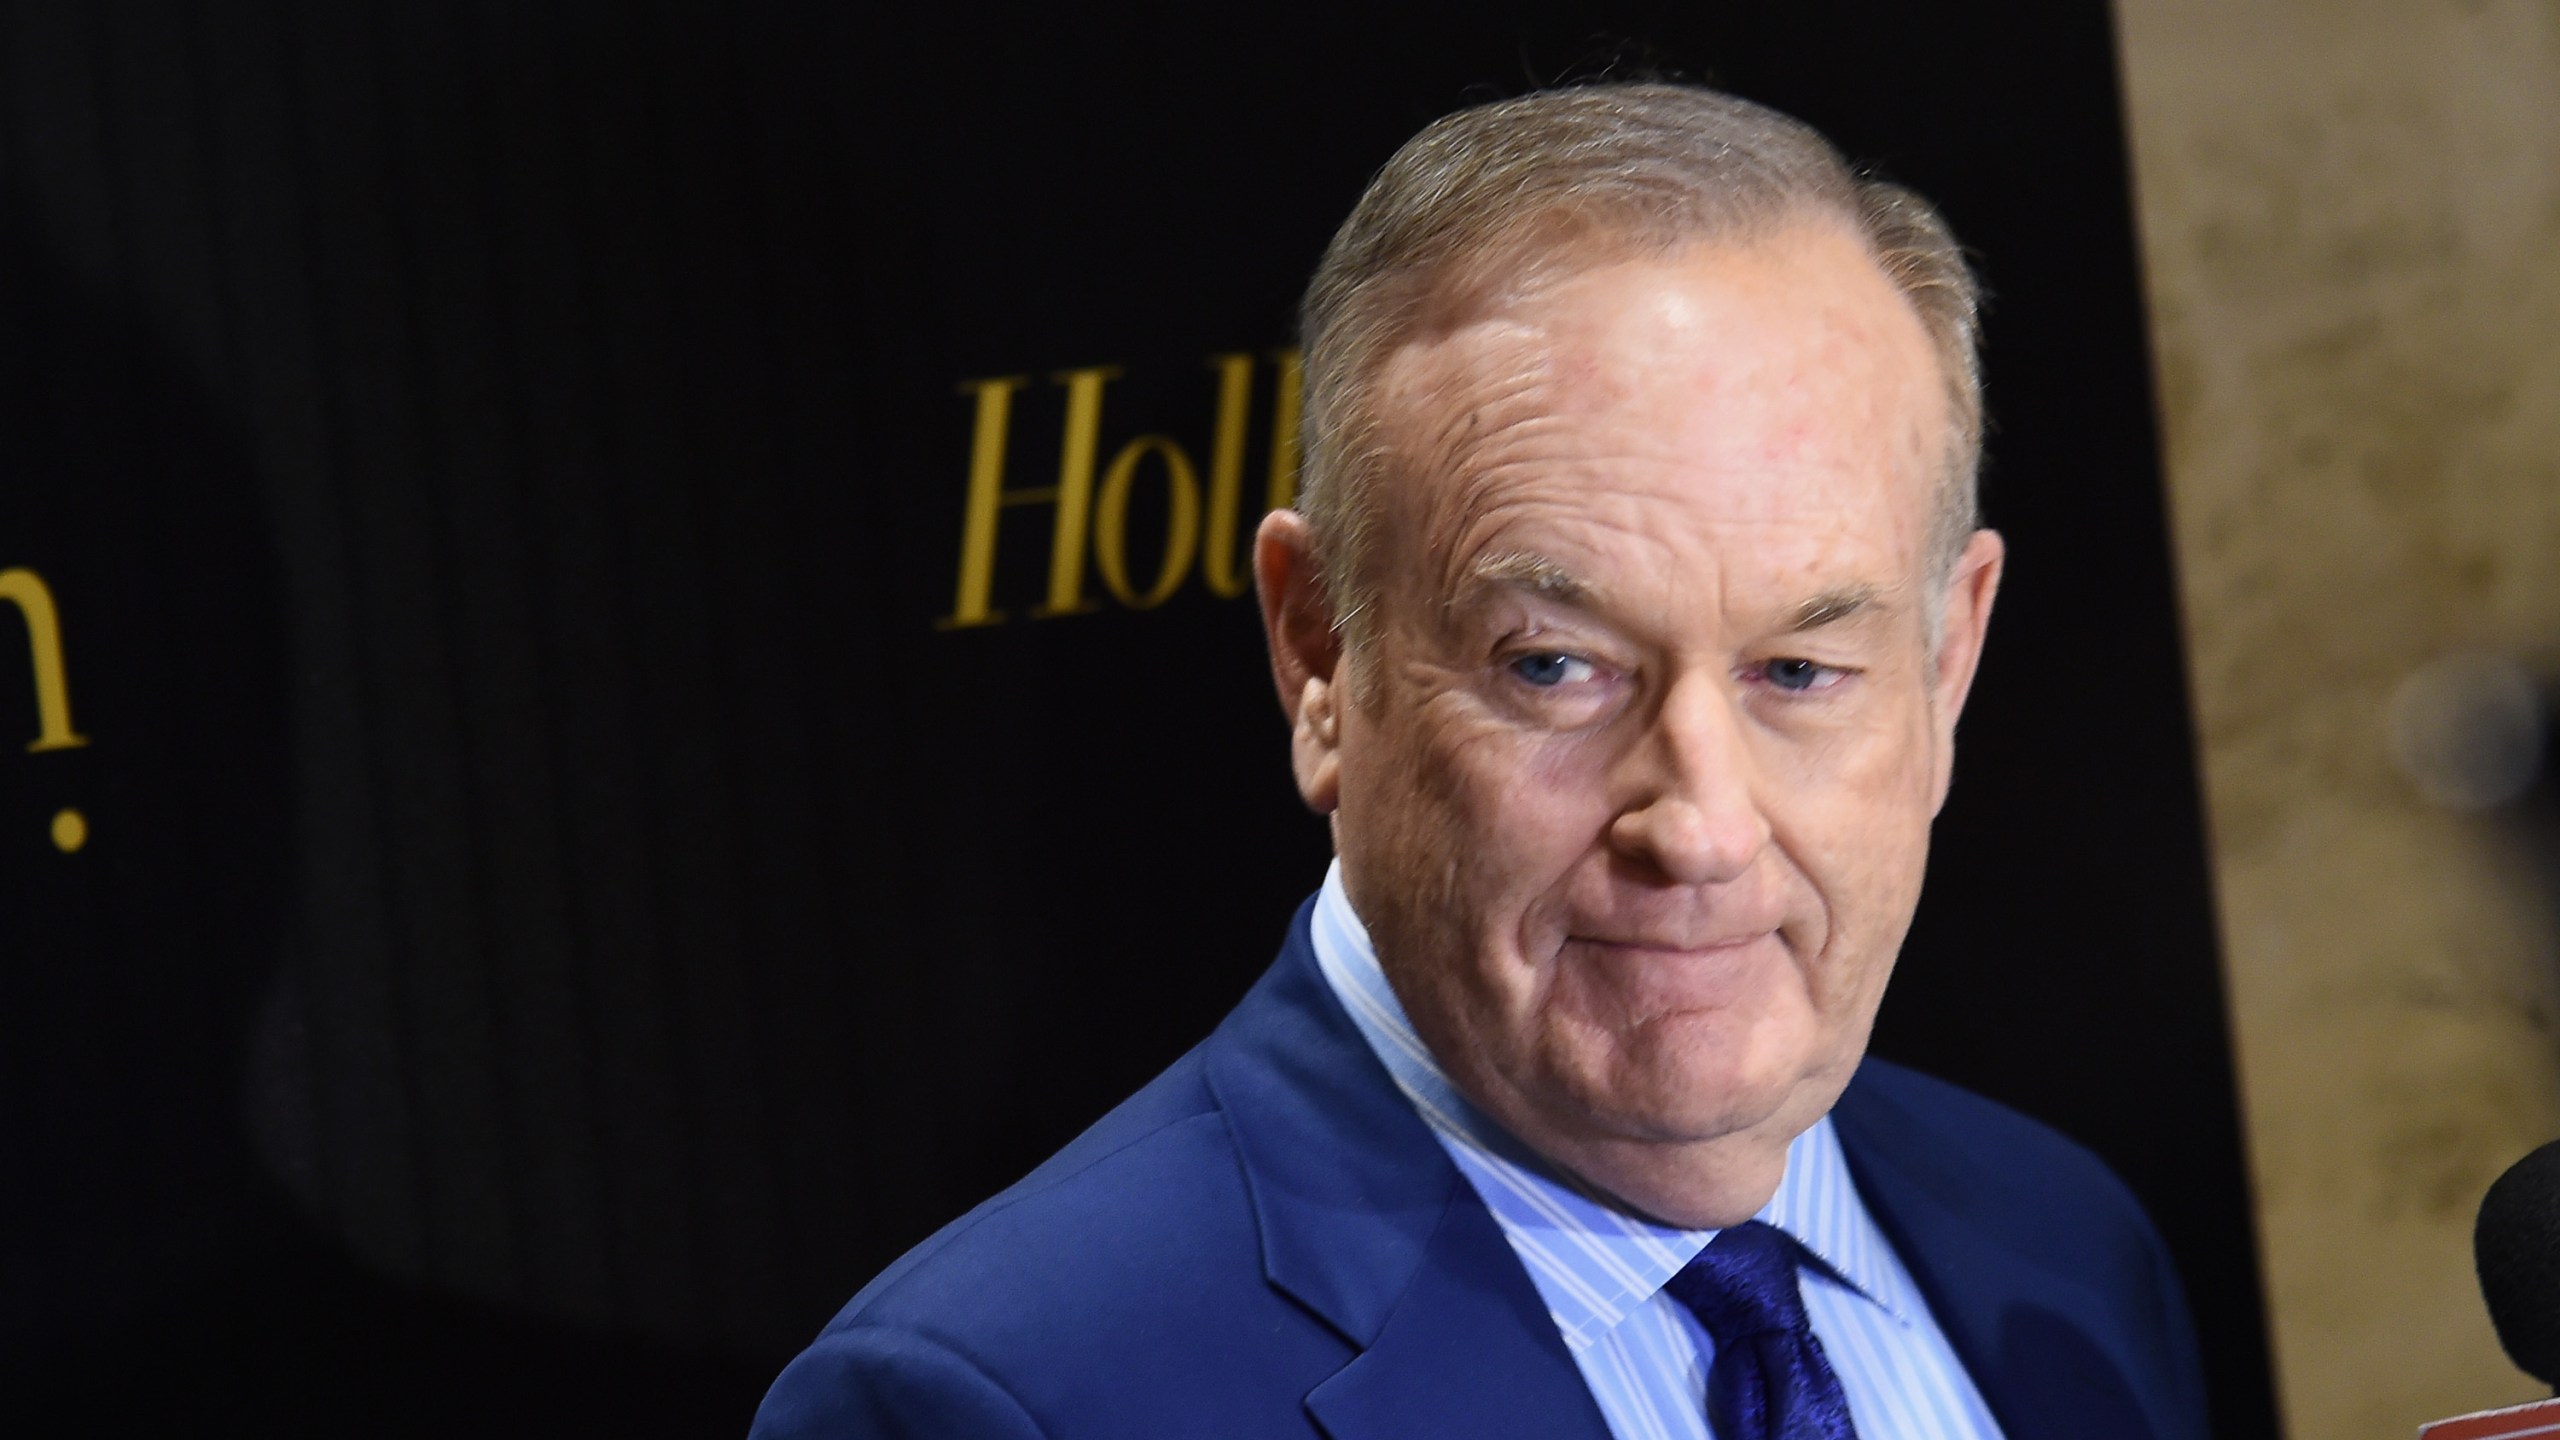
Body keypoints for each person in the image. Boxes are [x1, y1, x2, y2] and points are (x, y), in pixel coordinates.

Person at [753, 82, 2211, 1440]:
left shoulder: (2068, 1248)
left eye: (1799, 672)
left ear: (1947, 663)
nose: (1699, 827)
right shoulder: (1003, 1403)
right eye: (1555, 668)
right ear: (1322, 656)